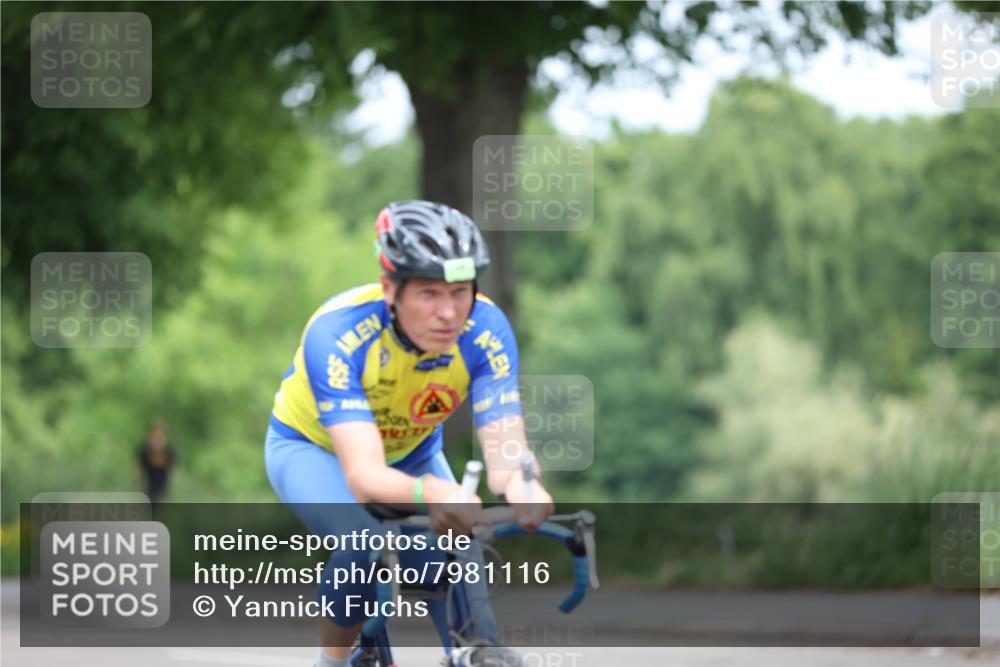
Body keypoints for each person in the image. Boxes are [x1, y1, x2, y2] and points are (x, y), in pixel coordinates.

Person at [264, 200, 553, 667]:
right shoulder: (338, 333)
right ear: (390, 289)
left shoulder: (487, 330)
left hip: (412, 450)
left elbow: (506, 448)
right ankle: (333, 661)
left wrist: (525, 485)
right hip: (311, 450)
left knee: (457, 540)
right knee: (361, 543)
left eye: (460, 291)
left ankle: (476, 649)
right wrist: (436, 490)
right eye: (429, 294)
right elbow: (363, 476)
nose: (448, 312)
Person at [136, 418, 177, 507]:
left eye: (159, 436)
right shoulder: (145, 452)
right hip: (149, 492)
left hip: (164, 493)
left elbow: (173, 471)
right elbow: (139, 474)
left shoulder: (169, 453)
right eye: (154, 436)